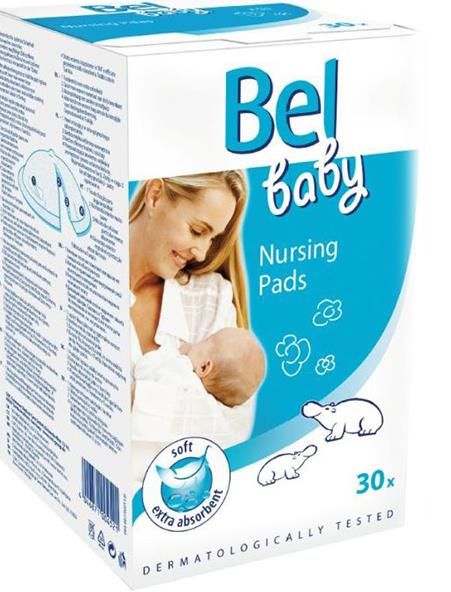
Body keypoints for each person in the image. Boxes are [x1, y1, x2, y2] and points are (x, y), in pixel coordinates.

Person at [129, 171, 260, 484]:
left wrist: (135, 399)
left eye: (211, 239)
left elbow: (230, 428)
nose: (202, 252)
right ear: (155, 196)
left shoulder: (210, 297)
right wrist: (184, 404)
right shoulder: (81, 287)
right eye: (197, 230)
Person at [134, 327, 266, 408]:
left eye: (207, 340)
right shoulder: (202, 402)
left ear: (203, 367)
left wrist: (175, 352)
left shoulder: (181, 369)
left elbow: (141, 369)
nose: (197, 341)